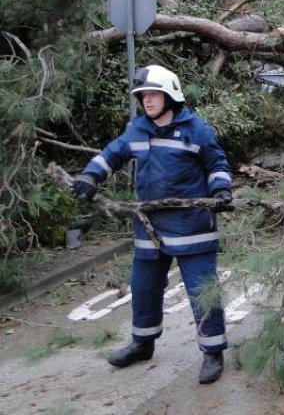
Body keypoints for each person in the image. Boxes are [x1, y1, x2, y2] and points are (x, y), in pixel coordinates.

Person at [71, 65, 233, 384]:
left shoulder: (195, 129)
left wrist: (222, 190)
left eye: (153, 94)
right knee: (143, 289)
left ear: (170, 95)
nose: (147, 101)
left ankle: (213, 352)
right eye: (143, 95)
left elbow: (217, 163)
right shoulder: (137, 129)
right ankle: (142, 344)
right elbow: (111, 154)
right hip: (149, 227)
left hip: (192, 227)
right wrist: (91, 175)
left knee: (202, 292)